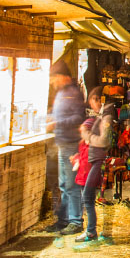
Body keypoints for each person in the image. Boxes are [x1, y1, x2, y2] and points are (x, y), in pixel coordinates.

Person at [74, 87, 117, 249]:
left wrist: (88, 137)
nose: (92, 105)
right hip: (96, 159)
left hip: (98, 159)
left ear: (98, 100)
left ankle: (91, 231)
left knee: (87, 196)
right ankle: (91, 230)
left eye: (92, 101)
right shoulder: (102, 116)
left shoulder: (106, 116)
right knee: (88, 196)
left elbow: (104, 141)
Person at [47, 61, 86, 235]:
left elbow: (78, 117)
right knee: (64, 184)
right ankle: (63, 220)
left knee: (71, 184)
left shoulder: (73, 93)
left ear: (63, 77)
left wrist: (57, 123)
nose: (52, 82)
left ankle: (76, 221)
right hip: (62, 143)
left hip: (71, 144)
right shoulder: (61, 93)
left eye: (54, 78)